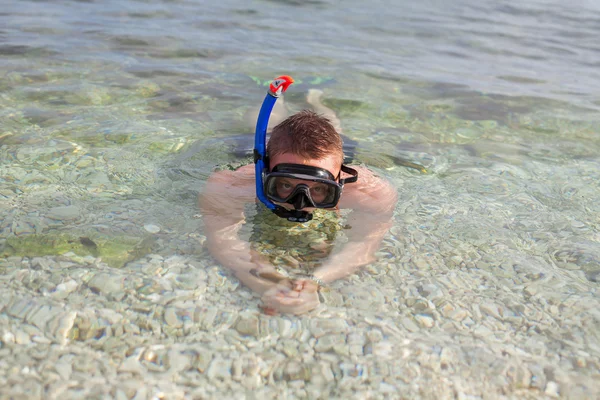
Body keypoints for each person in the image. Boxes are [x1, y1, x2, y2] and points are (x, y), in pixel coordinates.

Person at [199, 77, 397, 315]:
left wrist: (317, 280)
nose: (300, 202)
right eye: (284, 184)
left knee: (332, 124)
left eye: (319, 189)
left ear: (339, 178)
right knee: (261, 125)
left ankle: (315, 98)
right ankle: (279, 98)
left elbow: (365, 245)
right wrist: (268, 282)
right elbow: (223, 242)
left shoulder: (371, 192)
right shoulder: (230, 184)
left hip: (328, 152)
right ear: (265, 171)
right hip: (274, 145)